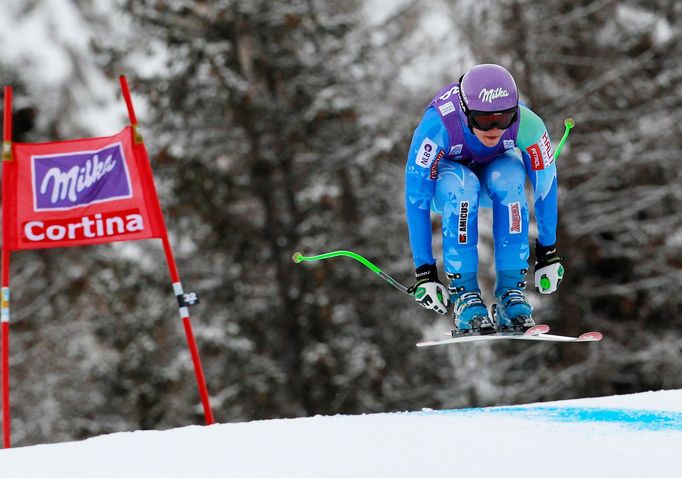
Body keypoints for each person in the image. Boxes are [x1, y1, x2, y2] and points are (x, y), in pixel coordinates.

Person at [405, 64, 565, 335]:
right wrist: (425, 271)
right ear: (466, 112)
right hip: (449, 185)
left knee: (512, 179)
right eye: (483, 119)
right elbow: (416, 199)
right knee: (463, 186)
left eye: (503, 120)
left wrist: (548, 253)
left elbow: (545, 187)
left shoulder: (528, 125)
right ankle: (466, 298)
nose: (493, 128)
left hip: (494, 178)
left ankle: (510, 295)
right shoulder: (437, 127)